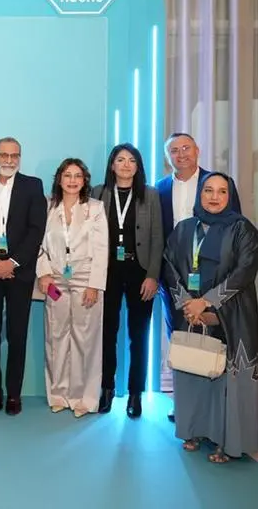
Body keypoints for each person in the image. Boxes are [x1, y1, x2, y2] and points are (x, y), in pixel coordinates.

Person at [163, 171, 258, 463]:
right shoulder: (184, 228)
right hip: (190, 314)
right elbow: (168, 265)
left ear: (230, 196)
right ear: (200, 194)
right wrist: (187, 303)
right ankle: (194, 430)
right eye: (208, 190)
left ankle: (226, 441)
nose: (214, 197)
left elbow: (245, 271)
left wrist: (207, 302)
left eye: (221, 191)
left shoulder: (243, 229)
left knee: (226, 379)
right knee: (194, 371)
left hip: (231, 315)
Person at [156, 132, 242, 421]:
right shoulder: (160, 188)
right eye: (174, 151)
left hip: (213, 278)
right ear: (168, 157)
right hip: (174, 278)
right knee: (179, 336)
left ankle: (216, 405)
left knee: (215, 336)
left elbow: (235, 229)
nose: (181, 154)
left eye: (186, 148)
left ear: (198, 150)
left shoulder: (217, 183)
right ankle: (184, 403)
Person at [92, 144, 163, 418]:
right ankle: (107, 389)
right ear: (112, 165)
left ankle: (135, 393)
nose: (125, 164)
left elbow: (157, 238)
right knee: (107, 333)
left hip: (139, 271)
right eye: (120, 159)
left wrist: (153, 275)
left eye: (131, 160)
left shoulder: (150, 194)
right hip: (107, 271)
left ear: (138, 166)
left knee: (139, 335)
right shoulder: (99, 193)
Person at [36, 158, 108, 418]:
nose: (72, 180)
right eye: (68, 175)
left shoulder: (95, 208)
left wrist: (94, 285)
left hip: (85, 280)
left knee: (84, 340)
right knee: (55, 337)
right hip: (55, 280)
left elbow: (101, 249)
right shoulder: (47, 206)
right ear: (59, 179)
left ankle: (83, 398)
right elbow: (38, 244)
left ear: (84, 180)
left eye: (78, 176)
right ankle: (58, 394)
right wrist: (43, 273)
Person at [0, 137, 47, 416]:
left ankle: (13, 394)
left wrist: (11, 262)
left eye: (14, 156)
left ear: (19, 158)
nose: (9, 160)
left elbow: (36, 230)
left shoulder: (33, 186)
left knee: (17, 335)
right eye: (4, 155)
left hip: (19, 272)